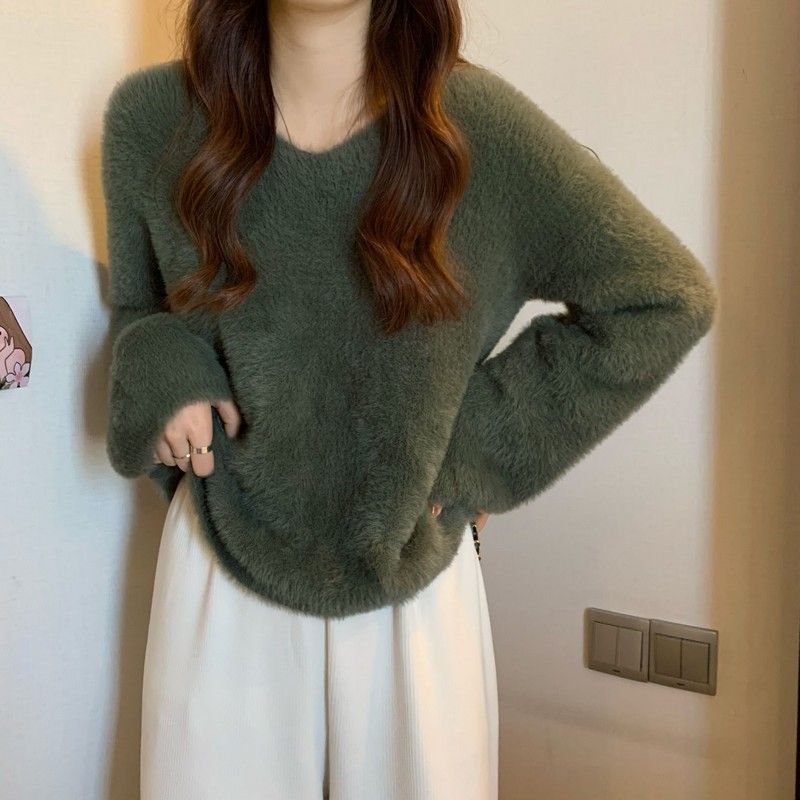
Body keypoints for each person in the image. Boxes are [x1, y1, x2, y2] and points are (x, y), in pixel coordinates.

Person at [100, 1, 718, 798]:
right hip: (222, 573)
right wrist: (162, 368)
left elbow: (662, 297)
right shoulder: (151, 122)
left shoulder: (477, 129)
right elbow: (141, 311)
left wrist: (473, 447)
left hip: (414, 587)